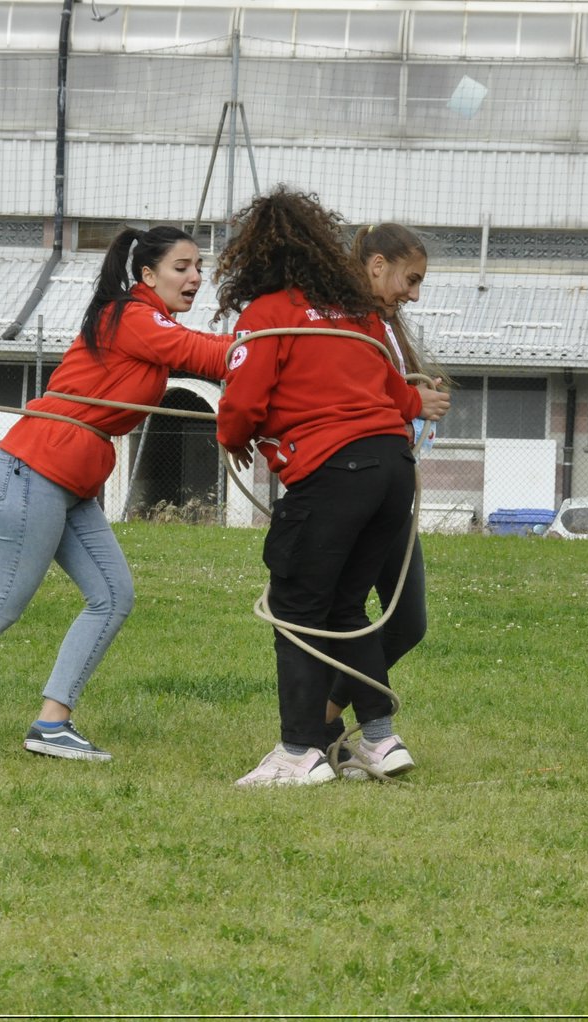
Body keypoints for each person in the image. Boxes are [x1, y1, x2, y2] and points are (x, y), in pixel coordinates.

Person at [0, 226, 232, 761]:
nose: (196, 278)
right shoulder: (131, 316)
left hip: (70, 481)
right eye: (183, 267)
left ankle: (52, 726)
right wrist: (279, 344)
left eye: (199, 267)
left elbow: (205, 354)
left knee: (113, 596)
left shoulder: (148, 325)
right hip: (36, 470)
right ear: (147, 275)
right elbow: (209, 354)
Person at [214, 188, 432, 786]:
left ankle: (299, 752)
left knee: (297, 611)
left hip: (333, 473)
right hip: (392, 470)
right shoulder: (357, 315)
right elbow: (397, 395)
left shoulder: (268, 312)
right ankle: (381, 743)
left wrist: (232, 435)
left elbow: (244, 400)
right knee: (343, 608)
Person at [323, 223, 452, 777]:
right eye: (411, 278)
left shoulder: (385, 324)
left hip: (391, 484)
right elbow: (351, 395)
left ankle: (324, 722)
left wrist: (419, 399)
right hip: (354, 482)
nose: (415, 292)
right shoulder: (343, 321)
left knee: (406, 621)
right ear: (378, 265)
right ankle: (365, 733)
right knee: (347, 611)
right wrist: (410, 401)